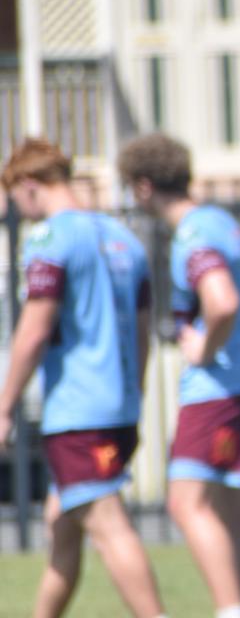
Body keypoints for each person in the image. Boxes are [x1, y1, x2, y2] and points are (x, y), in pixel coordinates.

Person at [0, 139, 166, 618]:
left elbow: (33, 331)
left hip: (77, 414)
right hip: (119, 408)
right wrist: (133, 396)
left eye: (16, 202)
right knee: (62, 529)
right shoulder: (123, 239)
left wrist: (6, 404)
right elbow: (142, 334)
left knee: (110, 529)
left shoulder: (51, 238)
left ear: (29, 187)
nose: (21, 213)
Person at [119, 134, 240, 618]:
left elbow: (222, 300)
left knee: (186, 503)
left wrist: (202, 347)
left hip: (220, 392)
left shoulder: (191, 232)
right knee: (232, 509)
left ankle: (231, 611)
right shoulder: (220, 221)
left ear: (144, 187)